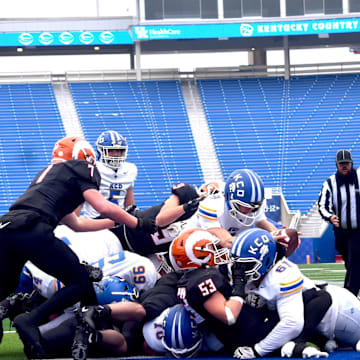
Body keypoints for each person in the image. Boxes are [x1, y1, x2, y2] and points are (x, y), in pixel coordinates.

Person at [0, 136, 156, 358]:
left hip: (6, 228)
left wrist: (116, 221)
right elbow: (102, 205)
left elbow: (77, 224)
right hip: (32, 228)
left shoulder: (49, 179)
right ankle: (30, 319)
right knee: (81, 281)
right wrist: (137, 223)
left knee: (3, 289)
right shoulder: (83, 167)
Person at [229, 228, 332, 359]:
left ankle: (303, 342)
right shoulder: (232, 267)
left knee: (321, 298)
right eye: (236, 263)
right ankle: (294, 345)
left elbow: (292, 323)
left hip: (271, 320)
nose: (239, 269)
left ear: (265, 260)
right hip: (252, 324)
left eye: (247, 265)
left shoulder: (283, 275)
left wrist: (258, 350)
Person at [184, 169, 292, 249]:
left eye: (253, 206)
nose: (249, 210)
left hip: (225, 247)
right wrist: (265, 239)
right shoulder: (211, 205)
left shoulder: (257, 203)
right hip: (194, 248)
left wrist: (278, 233)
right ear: (229, 198)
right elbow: (226, 242)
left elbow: (260, 220)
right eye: (244, 204)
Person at [318, 149, 360, 296]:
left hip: (358, 230)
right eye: (341, 164)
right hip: (341, 232)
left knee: (355, 259)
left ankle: (350, 294)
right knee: (351, 263)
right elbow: (322, 205)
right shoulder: (330, 183)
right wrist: (330, 217)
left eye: (347, 164)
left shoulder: (359, 177)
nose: (344, 166)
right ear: (336, 165)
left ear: (352, 163)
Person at [81, 130, 137, 218]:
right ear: (101, 151)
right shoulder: (92, 169)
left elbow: (129, 204)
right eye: (111, 151)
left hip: (120, 221)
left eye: (118, 151)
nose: (115, 154)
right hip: (95, 221)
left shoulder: (129, 169)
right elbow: (78, 199)